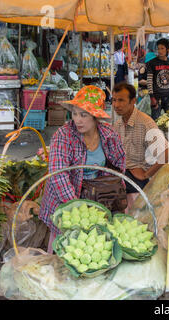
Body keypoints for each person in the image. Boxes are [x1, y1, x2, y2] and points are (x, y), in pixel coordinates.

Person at [40, 85, 126, 252]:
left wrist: (111, 188)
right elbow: (58, 176)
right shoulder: (64, 135)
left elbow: (119, 162)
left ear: (95, 117)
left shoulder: (108, 134)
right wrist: (77, 208)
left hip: (96, 197)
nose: (77, 120)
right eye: (74, 113)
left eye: (83, 115)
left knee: (92, 247)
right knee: (66, 246)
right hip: (66, 200)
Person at [112, 82, 169, 196]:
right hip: (123, 173)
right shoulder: (118, 124)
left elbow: (167, 154)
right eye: (114, 100)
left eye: (121, 100)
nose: (116, 105)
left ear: (133, 101)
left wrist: (146, 174)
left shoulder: (145, 123)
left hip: (137, 179)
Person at [147, 38, 169, 120]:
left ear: (167, 49)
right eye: (158, 48)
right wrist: (152, 97)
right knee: (156, 122)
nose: (159, 51)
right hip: (156, 98)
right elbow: (149, 82)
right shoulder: (152, 63)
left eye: (162, 48)